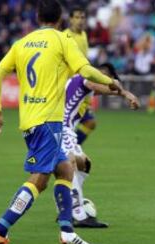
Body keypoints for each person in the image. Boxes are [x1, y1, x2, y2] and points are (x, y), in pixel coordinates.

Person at [0, 0, 123, 244]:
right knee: (39, 179)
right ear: (60, 19)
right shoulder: (62, 40)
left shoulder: (21, 43)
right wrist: (112, 82)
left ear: (37, 17)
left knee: (65, 170)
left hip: (29, 120)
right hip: (48, 121)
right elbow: (85, 71)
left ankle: (68, 231)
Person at [63, 63, 140, 228]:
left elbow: (104, 89)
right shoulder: (86, 77)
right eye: (105, 77)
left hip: (63, 128)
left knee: (84, 165)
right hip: (61, 127)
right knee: (71, 167)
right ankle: (79, 215)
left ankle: (66, 208)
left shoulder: (85, 83)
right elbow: (94, 84)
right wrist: (125, 93)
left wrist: (121, 93)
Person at [63, 5, 96, 145]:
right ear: (70, 19)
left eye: (82, 17)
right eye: (76, 17)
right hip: (68, 86)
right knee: (70, 125)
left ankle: (72, 147)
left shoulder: (83, 35)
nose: (80, 20)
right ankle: (69, 149)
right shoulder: (65, 36)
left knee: (89, 122)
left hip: (81, 85)